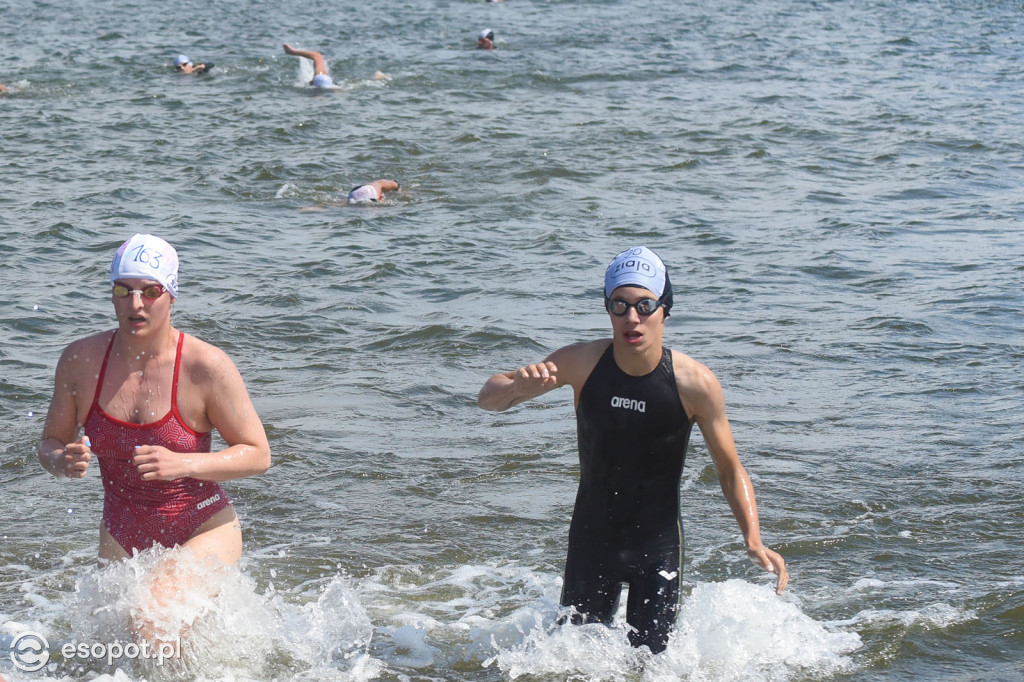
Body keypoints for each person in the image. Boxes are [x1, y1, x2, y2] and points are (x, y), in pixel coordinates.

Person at [477, 246, 788, 654]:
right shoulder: (582, 363)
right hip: (592, 540)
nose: (632, 318)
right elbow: (487, 398)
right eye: (619, 305)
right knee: (570, 664)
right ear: (608, 310)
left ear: (664, 309)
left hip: (657, 546)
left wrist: (753, 537)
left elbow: (730, 469)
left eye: (645, 304)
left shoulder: (695, 384)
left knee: (655, 667)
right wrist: (519, 387)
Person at [38, 233, 271, 568]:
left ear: (171, 295)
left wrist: (184, 463)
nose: (136, 304)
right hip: (120, 533)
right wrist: (62, 460)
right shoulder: (80, 361)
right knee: (123, 621)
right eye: (124, 290)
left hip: (203, 527)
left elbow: (258, 455)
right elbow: (50, 442)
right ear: (112, 295)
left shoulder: (206, 365)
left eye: (150, 291)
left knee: (154, 611)